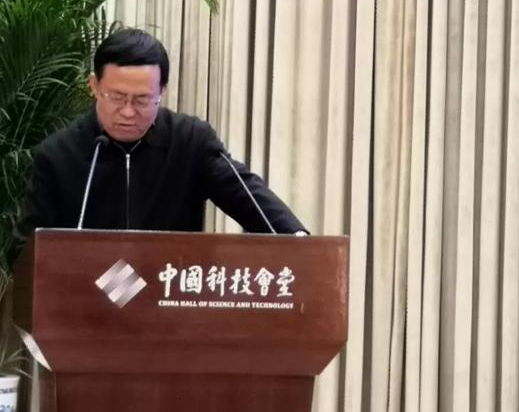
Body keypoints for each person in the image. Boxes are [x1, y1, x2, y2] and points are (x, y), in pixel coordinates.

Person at [13, 29, 308, 248]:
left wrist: (298, 240)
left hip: (169, 299)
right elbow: (25, 248)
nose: (128, 112)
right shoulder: (58, 155)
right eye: (117, 97)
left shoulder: (190, 141)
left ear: (162, 91)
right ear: (94, 85)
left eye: (142, 100)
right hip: (83, 304)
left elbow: (245, 192)